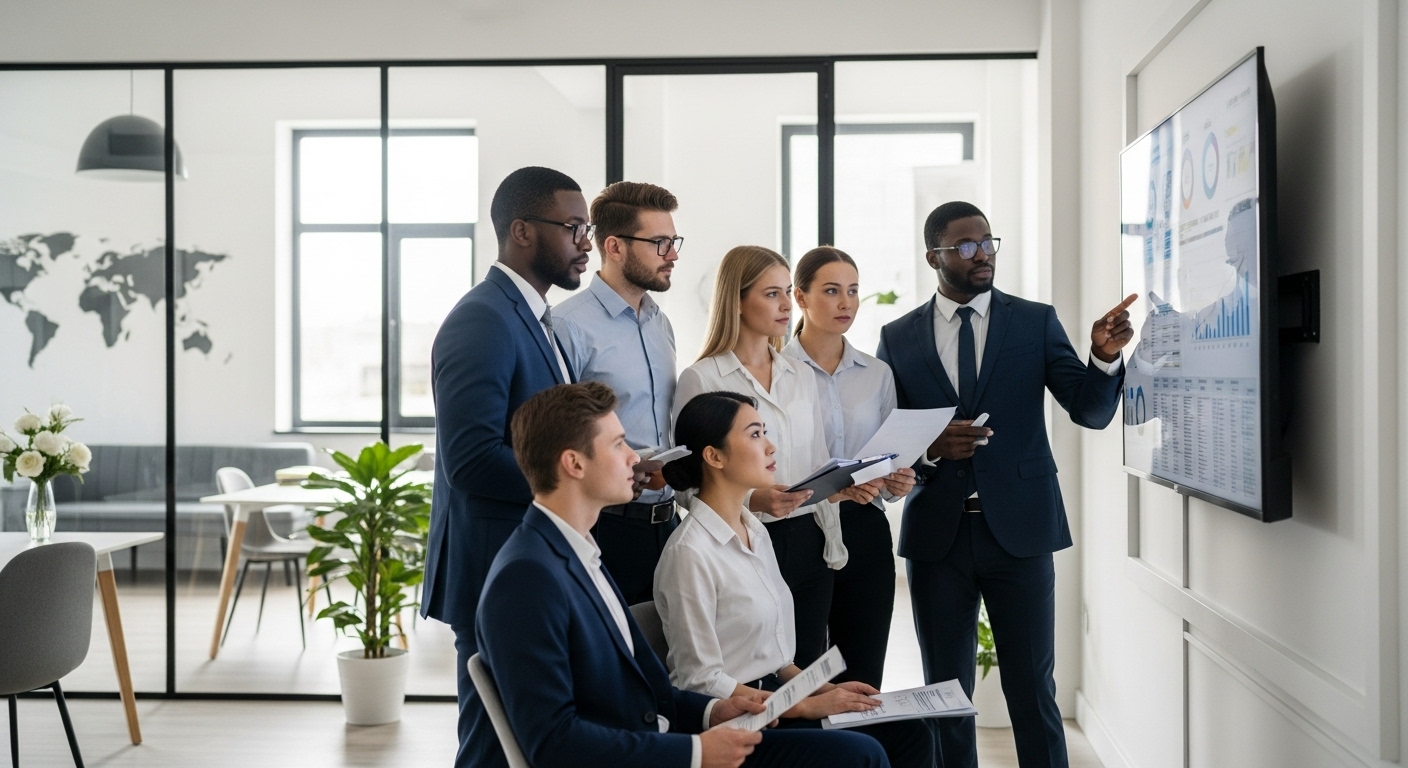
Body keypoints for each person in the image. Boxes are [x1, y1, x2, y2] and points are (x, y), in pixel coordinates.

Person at [476, 381, 892, 768]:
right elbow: (552, 743)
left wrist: (714, 711)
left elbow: (649, 692)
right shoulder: (527, 577)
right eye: (620, 444)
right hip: (657, 752)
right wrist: (695, 750)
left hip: (665, 739)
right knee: (862, 755)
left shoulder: (578, 553)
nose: (635, 458)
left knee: (876, 743)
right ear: (574, 464)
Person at [875, 201, 1135, 768]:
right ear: (934, 256)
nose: (982, 254)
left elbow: (1089, 411)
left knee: (1032, 688)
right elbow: (886, 443)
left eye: (989, 242)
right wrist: (931, 449)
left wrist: (1104, 357)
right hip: (937, 537)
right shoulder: (897, 338)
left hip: (1021, 529)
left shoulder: (1034, 321)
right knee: (944, 693)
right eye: (966, 246)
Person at [653, 391, 936, 768]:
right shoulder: (689, 553)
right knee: (863, 753)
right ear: (714, 456)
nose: (770, 446)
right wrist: (807, 705)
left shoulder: (755, 530)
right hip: (740, 719)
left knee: (912, 731)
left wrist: (827, 688)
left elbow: (780, 661)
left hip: (778, 696)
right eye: (755, 435)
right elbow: (700, 681)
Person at [420, 166, 593, 768]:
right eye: (573, 227)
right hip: (495, 567)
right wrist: (579, 478)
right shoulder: (483, 319)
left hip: (528, 562)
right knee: (492, 747)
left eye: (587, 228)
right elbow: (470, 461)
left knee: (526, 739)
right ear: (523, 231)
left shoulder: (537, 320)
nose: (586, 243)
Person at [672, 246, 881, 669]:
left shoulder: (798, 373)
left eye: (787, 291)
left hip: (811, 540)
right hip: (743, 542)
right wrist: (754, 500)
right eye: (772, 294)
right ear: (737, 301)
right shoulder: (702, 377)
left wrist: (844, 488)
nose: (787, 304)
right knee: (755, 669)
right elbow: (683, 481)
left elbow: (817, 462)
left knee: (805, 665)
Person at [782, 247, 917, 689]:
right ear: (800, 297)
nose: (846, 303)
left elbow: (891, 458)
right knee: (801, 669)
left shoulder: (877, 374)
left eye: (854, 291)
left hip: (864, 528)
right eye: (832, 291)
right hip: (799, 529)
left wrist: (897, 481)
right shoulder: (776, 371)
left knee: (863, 670)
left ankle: (863, 757)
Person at [557, 181, 684, 605]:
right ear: (614, 246)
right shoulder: (568, 326)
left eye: (673, 241)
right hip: (605, 529)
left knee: (669, 665)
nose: (673, 255)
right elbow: (558, 437)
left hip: (667, 526)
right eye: (660, 243)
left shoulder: (659, 322)